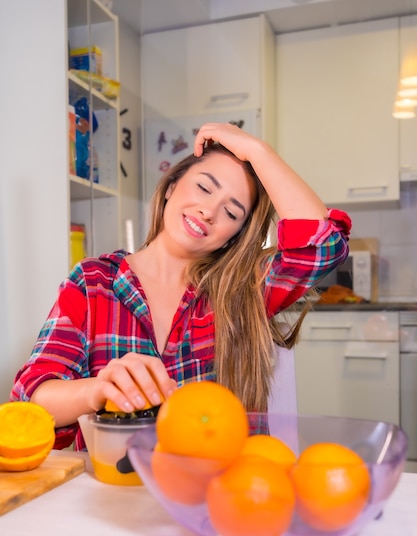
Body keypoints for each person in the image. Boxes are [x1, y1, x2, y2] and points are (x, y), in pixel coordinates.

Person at [10, 123, 351, 450]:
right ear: (172, 184)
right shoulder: (92, 283)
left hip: (219, 491)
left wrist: (258, 151)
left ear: (235, 235)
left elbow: (322, 247)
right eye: (204, 187)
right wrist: (98, 390)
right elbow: (32, 399)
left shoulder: (243, 290)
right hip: (118, 492)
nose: (208, 211)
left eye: (231, 213)